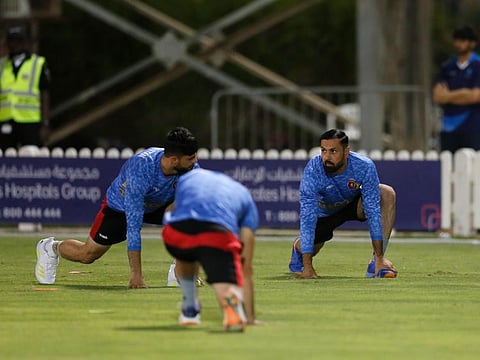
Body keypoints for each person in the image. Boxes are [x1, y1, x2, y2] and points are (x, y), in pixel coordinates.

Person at [35, 127, 199, 288]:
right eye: (191, 158)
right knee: (88, 254)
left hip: (158, 205)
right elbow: (133, 226)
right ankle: (50, 248)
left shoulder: (191, 169)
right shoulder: (142, 167)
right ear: (174, 160)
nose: (195, 161)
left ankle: (179, 273)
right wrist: (136, 275)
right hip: (121, 207)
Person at [288, 129, 397, 279]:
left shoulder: (364, 166)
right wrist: (307, 266)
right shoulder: (313, 170)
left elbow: (372, 210)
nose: (326, 157)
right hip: (323, 214)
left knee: (386, 193)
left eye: (333, 151)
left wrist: (379, 256)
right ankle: (298, 248)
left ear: (346, 152)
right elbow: (308, 217)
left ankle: (376, 263)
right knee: (313, 246)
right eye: (323, 150)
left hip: (350, 205)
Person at [162, 168, 259, 332]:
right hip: (217, 234)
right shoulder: (246, 199)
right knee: (222, 272)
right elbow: (245, 266)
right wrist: (250, 317)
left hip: (176, 232)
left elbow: (171, 210)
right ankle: (233, 311)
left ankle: (190, 308)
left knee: (188, 250)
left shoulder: (190, 177)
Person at [0, 25, 51, 150]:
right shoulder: (1, 65)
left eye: (18, 40)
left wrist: (45, 124)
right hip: (5, 120)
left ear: (25, 42)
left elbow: (45, 94)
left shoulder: (37, 63)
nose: (15, 44)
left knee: (31, 157)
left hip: (30, 122)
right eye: (11, 40)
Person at [433, 25, 480, 152]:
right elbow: (437, 96)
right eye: (457, 40)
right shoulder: (448, 66)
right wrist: (464, 94)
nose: (459, 44)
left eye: (463, 40)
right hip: (449, 127)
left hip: (472, 127)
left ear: (472, 43)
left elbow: (475, 96)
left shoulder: (477, 65)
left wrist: (448, 96)